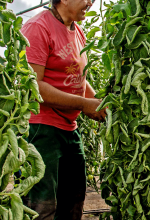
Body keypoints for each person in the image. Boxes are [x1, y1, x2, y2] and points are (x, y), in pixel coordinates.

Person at [20, 0, 106, 219]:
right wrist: (84, 104)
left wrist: (97, 102)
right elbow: (34, 86)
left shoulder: (76, 30)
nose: (90, 3)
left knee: (74, 199)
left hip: (69, 128)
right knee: (42, 204)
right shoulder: (38, 27)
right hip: (41, 128)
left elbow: (79, 77)